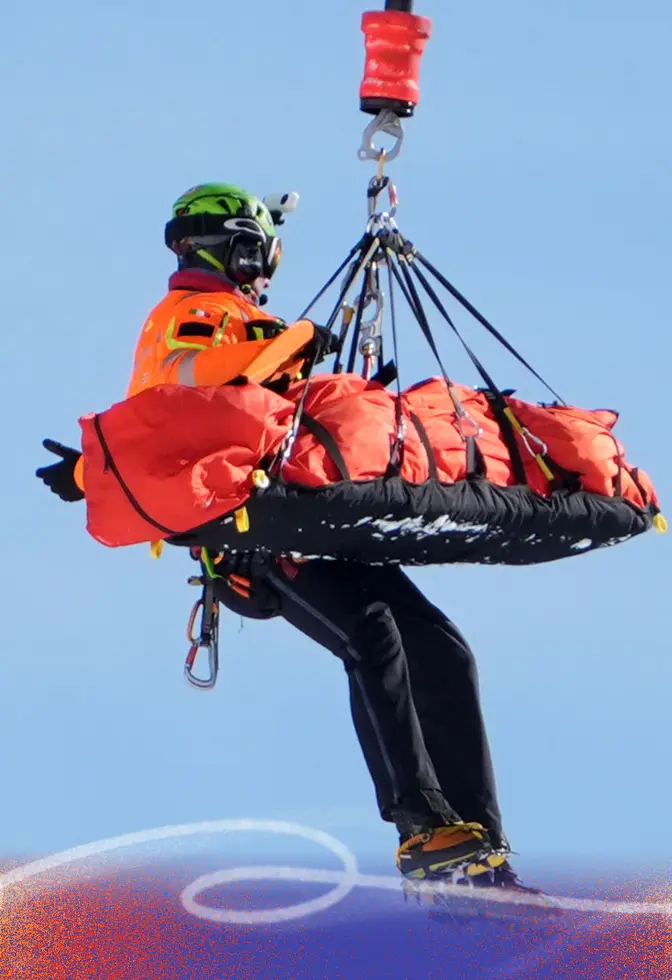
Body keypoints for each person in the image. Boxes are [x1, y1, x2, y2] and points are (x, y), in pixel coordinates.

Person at [37, 182, 535, 892]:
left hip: (302, 518)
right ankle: (424, 828)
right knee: (373, 635)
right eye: (258, 251)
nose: (265, 269)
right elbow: (190, 394)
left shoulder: (237, 318)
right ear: (231, 245)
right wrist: (293, 342)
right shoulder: (192, 314)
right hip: (254, 536)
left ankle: (482, 850)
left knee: (443, 646)